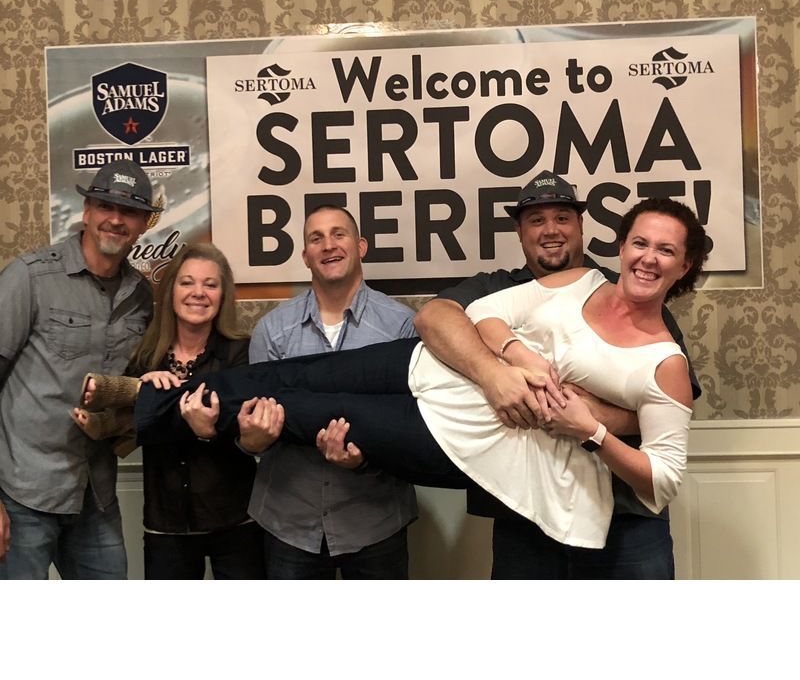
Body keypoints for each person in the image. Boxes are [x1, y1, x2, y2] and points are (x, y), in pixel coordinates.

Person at [87, 198, 708, 554]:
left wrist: (587, 423)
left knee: (302, 409)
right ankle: (146, 400)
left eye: (665, 251)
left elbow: (662, 472)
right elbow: (476, 316)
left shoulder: (665, 357)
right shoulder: (577, 282)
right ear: (620, 245)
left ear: (684, 267)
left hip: (468, 435)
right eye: (640, 243)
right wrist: (515, 359)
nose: (647, 258)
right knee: (289, 376)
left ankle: (138, 420)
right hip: (430, 368)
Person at [414, 170, 701, 579]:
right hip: (524, 509)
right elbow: (435, 317)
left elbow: (673, 409)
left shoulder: (629, 293)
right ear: (519, 232)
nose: (551, 230)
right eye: (536, 220)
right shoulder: (498, 287)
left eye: (563, 218)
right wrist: (495, 373)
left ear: (581, 226)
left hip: (626, 517)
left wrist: (589, 417)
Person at [0, 159, 160, 579]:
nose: (116, 219)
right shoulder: (30, 278)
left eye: (129, 211)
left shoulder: (141, 297)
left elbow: (131, 391)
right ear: (86, 211)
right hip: (24, 494)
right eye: (106, 206)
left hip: (96, 494)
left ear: (143, 224)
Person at [243, 205, 417, 580]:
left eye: (339, 234)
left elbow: (410, 430)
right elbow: (254, 431)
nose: (328, 245)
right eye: (316, 238)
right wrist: (252, 441)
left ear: (361, 246)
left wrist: (365, 460)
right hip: (289, 524)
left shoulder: (401, 327)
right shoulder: (272, 330)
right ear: (305, 255)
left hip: (375, 523)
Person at [76, 243, 265, 580]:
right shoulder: (146, 357)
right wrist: (142, 386)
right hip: (166, 526)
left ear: (223, 295)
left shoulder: (241, 352)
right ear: (171, 291)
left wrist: (155, 403)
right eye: (187, 282)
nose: (198, 293)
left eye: (210, 284)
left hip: (236, 521)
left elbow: (243, 429)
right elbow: (126, 435)